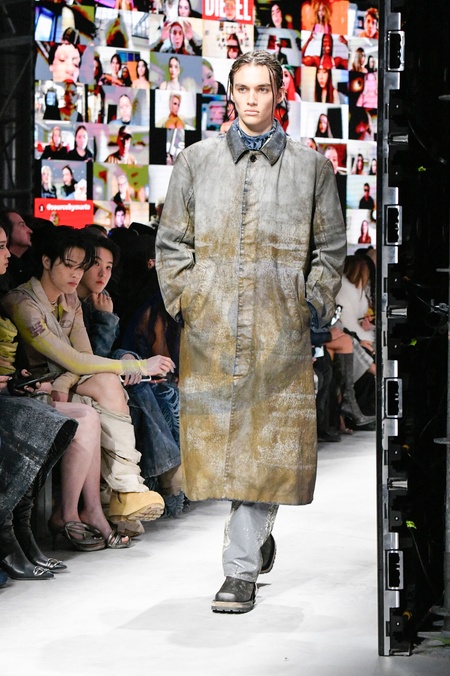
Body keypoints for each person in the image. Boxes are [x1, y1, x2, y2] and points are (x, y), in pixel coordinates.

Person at [156, 50, 346, 613]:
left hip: (279, 332)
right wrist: (190, 300)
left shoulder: (312, 168)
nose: (252, 99)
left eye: (263, 88)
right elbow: (171, 244)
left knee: (269, 444)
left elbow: (330, 249)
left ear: (279, 94)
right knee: (223, 447)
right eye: (243, 88)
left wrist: (305, 305)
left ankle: (238, 571)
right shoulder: (196, 162)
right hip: (212, 329)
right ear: (231, 94)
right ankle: (255, 534)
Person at [1, 227, 174, 531]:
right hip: (31, 390)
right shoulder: (21, 302)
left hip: (58, 386)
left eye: (81, 267)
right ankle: (116, 497)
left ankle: (126, 489)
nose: (76, 274)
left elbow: (81, 357)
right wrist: (138, 365)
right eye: (69, 265)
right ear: (46, 261)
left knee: (109, 384)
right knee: (108, 396)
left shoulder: (70, 299)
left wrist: (63, 383)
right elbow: (75, 359)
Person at [78, 234, 184, 519]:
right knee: (142, 390)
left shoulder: (97, 301)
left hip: (104, 377)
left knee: (152, 389)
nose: (103, 273)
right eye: (96, 264)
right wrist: (108, 325)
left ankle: (153, 483)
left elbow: (105, 353)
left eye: (109, 267)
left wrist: (127, 358)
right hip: (80, 381)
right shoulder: (79, 303)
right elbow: (88, 357)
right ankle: (165, 476)